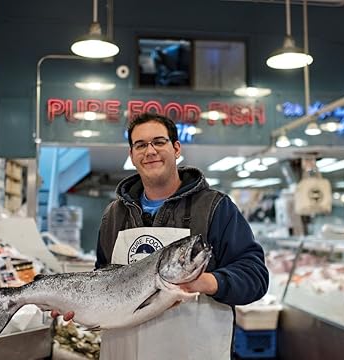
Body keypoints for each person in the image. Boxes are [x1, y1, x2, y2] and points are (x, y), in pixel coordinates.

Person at [53, 112, 269, 360]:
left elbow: (256, 276)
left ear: (176, 148)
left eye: (159, 142)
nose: (150, 150)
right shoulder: (114, 214)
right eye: (141, 145)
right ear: (132, 155)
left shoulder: (215, 207)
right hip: (123, 353)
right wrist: (79, 307)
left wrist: (205, 282)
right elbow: (103, 277)